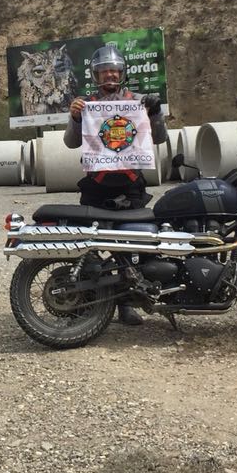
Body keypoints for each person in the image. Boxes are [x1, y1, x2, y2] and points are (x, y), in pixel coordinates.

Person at [64, 44, 165, 325]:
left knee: (130, 247)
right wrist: (74, 118)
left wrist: (156, 113)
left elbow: (159, 139)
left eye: (114, 70)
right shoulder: (85, 105)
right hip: (96, 185)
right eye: (103, 71)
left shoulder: (140, 101)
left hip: (130, 185)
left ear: (122, 72)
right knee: (90, 247)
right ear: (95, 75)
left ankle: (125, 306)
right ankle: (88, 305)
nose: (109, 75)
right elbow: (71, 142)